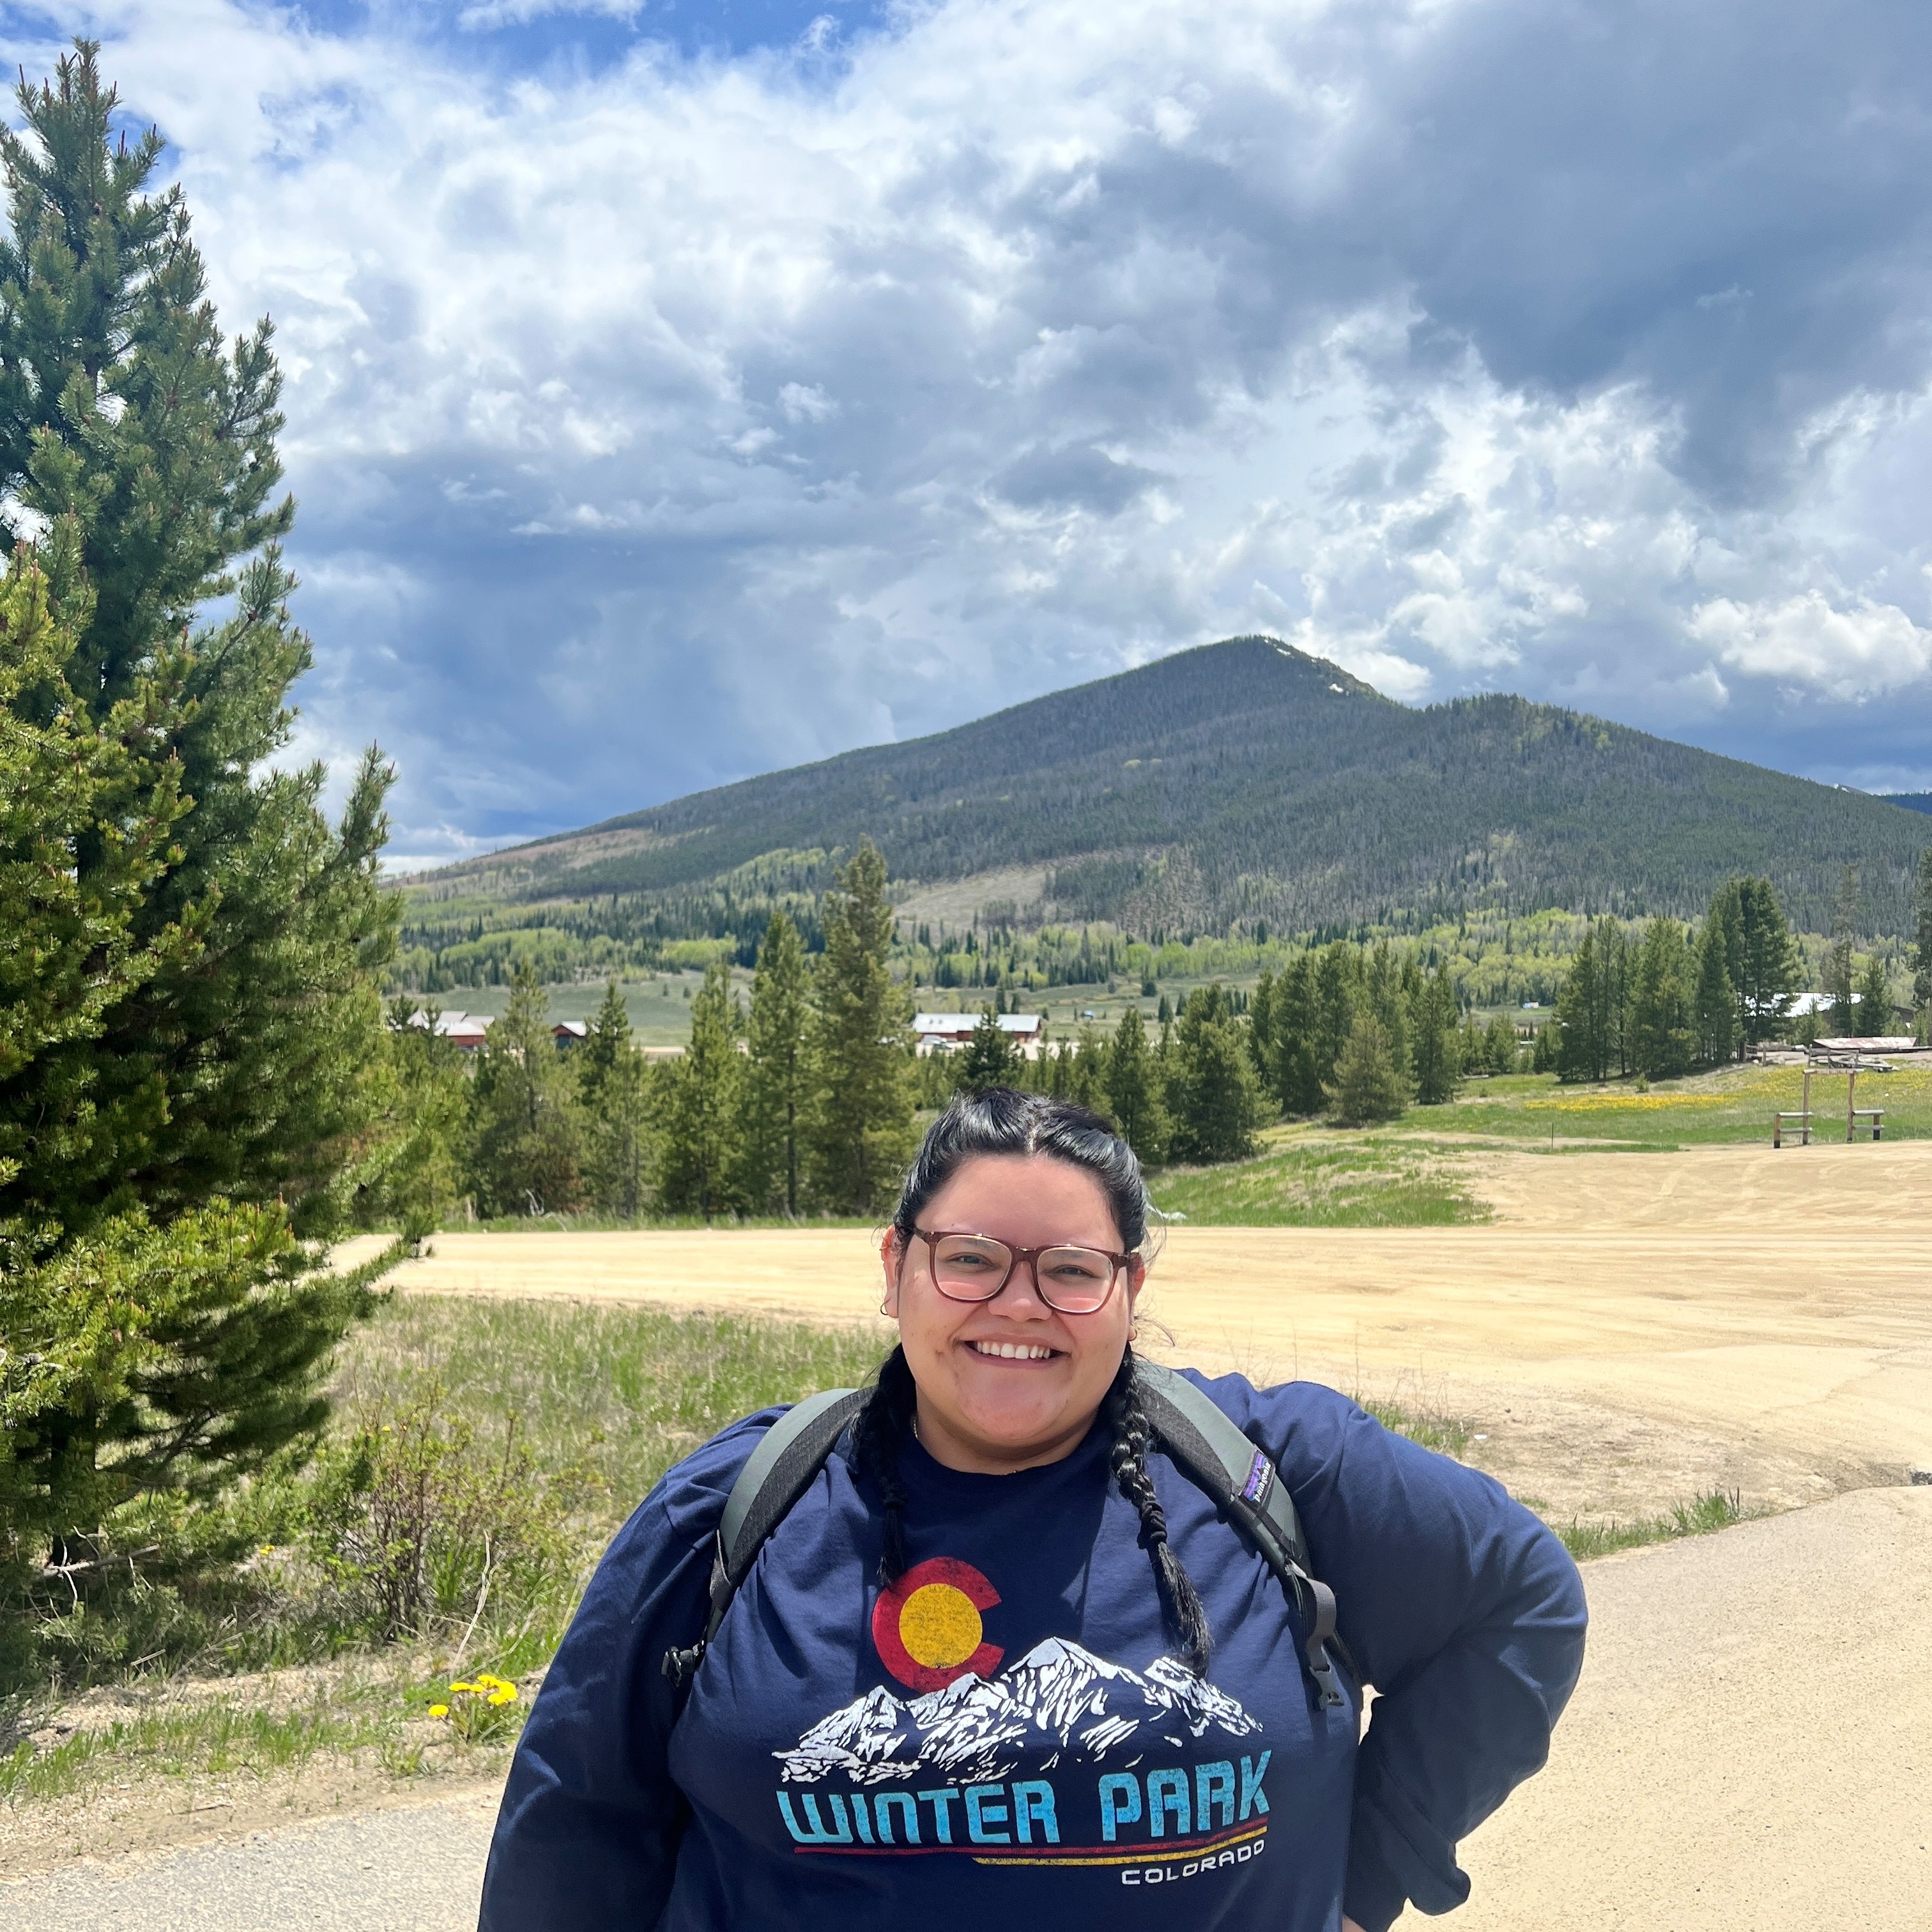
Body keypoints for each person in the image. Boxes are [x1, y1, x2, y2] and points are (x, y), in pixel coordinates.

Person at [479, 1089, 1586, 1931]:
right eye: (968, 1260)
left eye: (1069, 1268)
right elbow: (575, 1822)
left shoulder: (1279, 1467)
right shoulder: (737, 1505)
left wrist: (1374, 1876)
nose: (1017, 1305)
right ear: (894, 1266)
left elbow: (1522, 1603)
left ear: (1131, 1293)